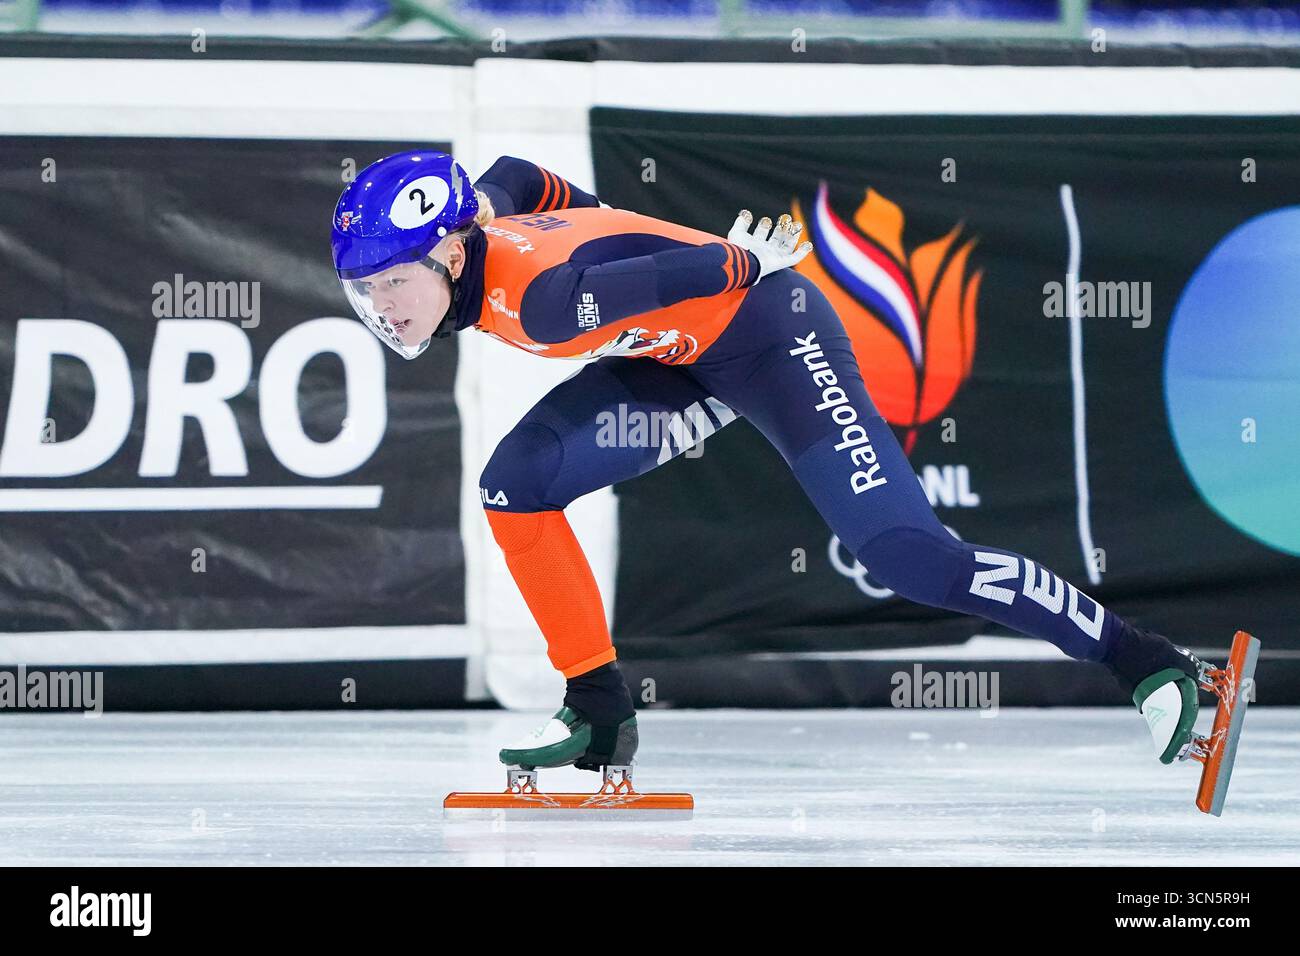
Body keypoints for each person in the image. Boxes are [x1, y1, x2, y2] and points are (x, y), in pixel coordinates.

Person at [331, 149, 1206, 781]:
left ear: (449, 253)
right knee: (512, 488)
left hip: (770, 337)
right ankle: (599, 711)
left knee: (910, 557)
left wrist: (745, 259)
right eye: (365, 293)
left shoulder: (547, 303)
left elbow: (693, 270)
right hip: (666, 359)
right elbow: (520, 175)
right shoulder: (481, 235)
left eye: (392, 284)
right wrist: (522, 203)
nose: (382, 309)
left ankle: (1141, 657)